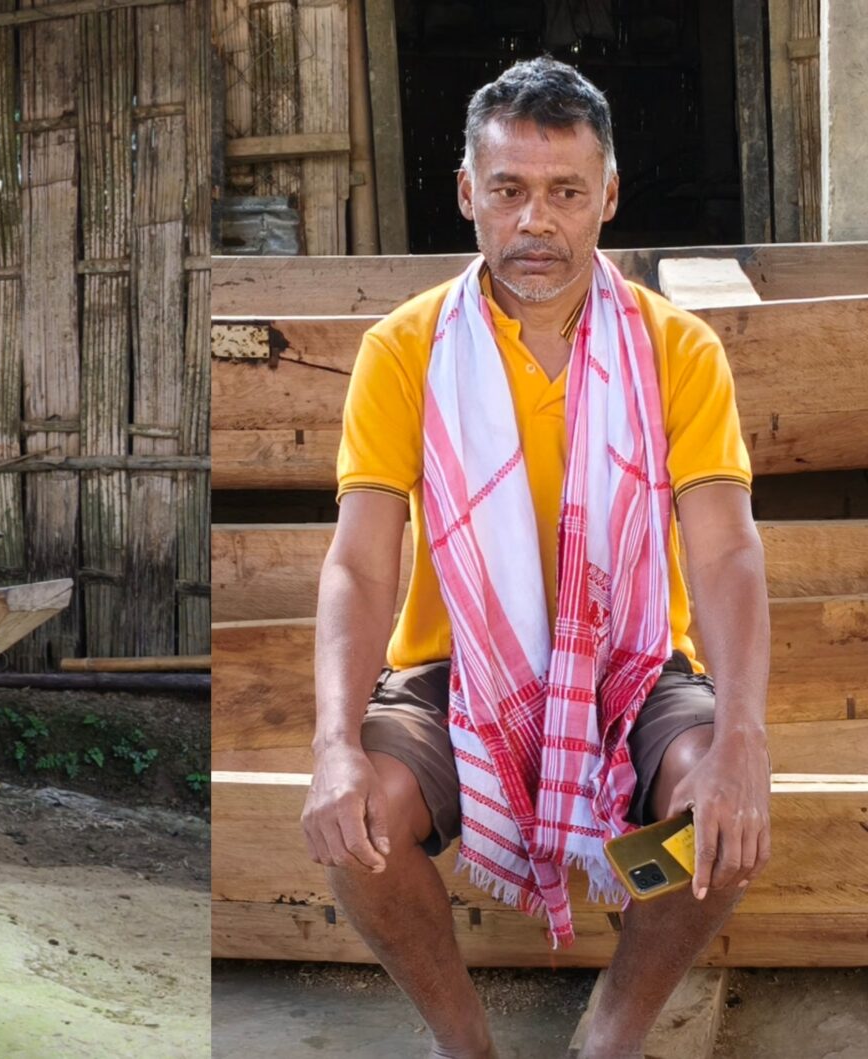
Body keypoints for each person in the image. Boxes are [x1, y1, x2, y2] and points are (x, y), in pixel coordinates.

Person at [301, 57, 773, 1059]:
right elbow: (359, 565)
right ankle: (464, 1045)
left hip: (634, 667)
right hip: (454, 672)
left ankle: (610, 1035)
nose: (535, 222)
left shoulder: (677, 350)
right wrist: (334, 742)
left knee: (717, 816)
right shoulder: (405, 350)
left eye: (565, 192)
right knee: (361, 819)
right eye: (508, 190)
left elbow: (726, 550)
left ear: (608, 195)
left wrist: (742, 738)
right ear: (467, 193)